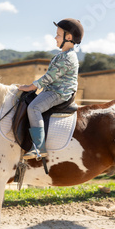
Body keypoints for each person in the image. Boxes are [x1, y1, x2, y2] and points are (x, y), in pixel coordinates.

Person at [18, 18, 83, 159]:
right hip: (52, 90)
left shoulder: (69, 57)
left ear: (69, 37)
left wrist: (30, 86)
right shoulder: (61, 55)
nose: (55, 37)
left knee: (34, 108)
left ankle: (39, 147)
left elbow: (49, 77)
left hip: (59, 93)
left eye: (58, 35)